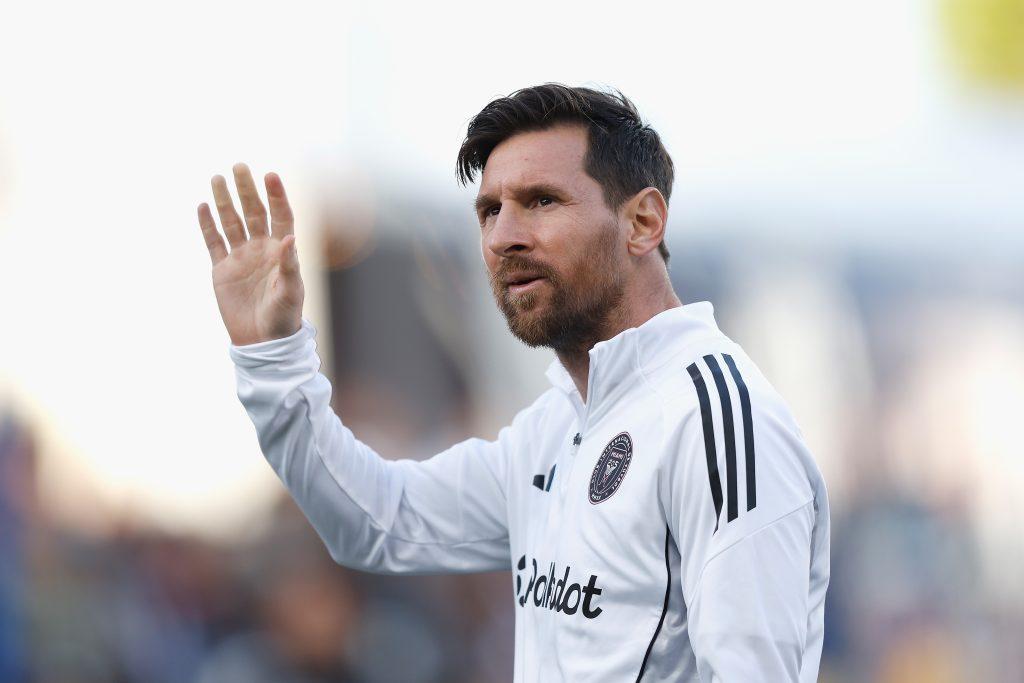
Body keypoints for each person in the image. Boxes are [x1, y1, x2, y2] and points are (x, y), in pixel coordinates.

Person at [196, 84, 830, 682]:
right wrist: (272, 359)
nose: (503, 238)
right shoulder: (556, 425)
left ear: (643, 222)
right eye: (490, 211)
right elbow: (376, 520)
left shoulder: (717, 419)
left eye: (542, 201)